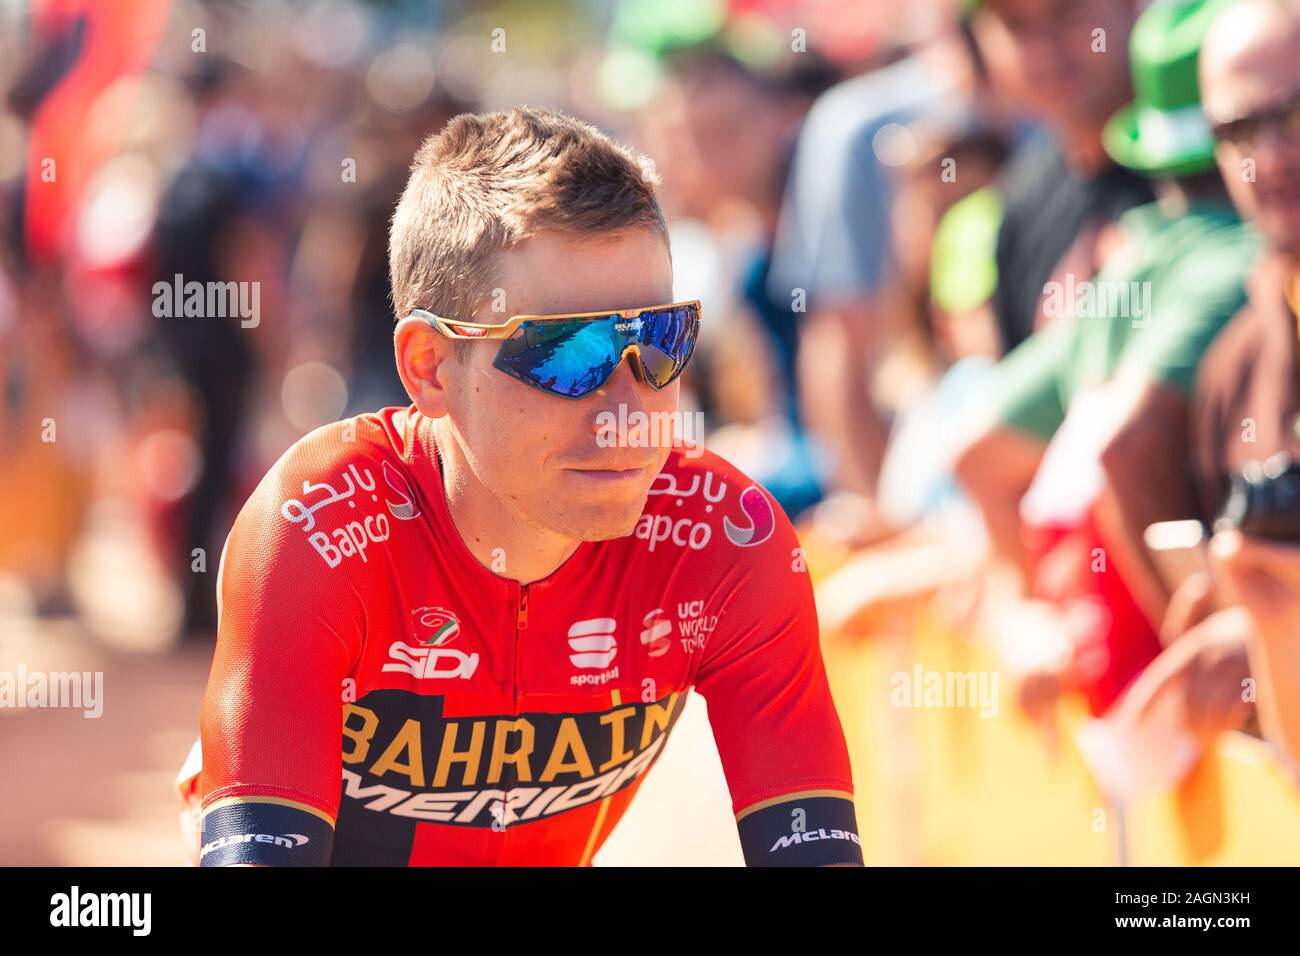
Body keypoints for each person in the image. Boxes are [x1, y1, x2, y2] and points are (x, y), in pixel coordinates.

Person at [177, 107, 862, 867]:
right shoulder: (319, 531)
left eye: (660, 341)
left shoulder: (727, 539)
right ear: (430, 368)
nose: (628, 416)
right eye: (569, 353)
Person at [955, 0, 1261, 715]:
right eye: (1016, 25)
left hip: (1135, 711)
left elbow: (979, 454)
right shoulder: (1230, 260)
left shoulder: (1142, 258)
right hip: (1185, 720)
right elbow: (1125, 441)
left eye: (1065, 14)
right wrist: (1211, 653)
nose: (1048, 47)